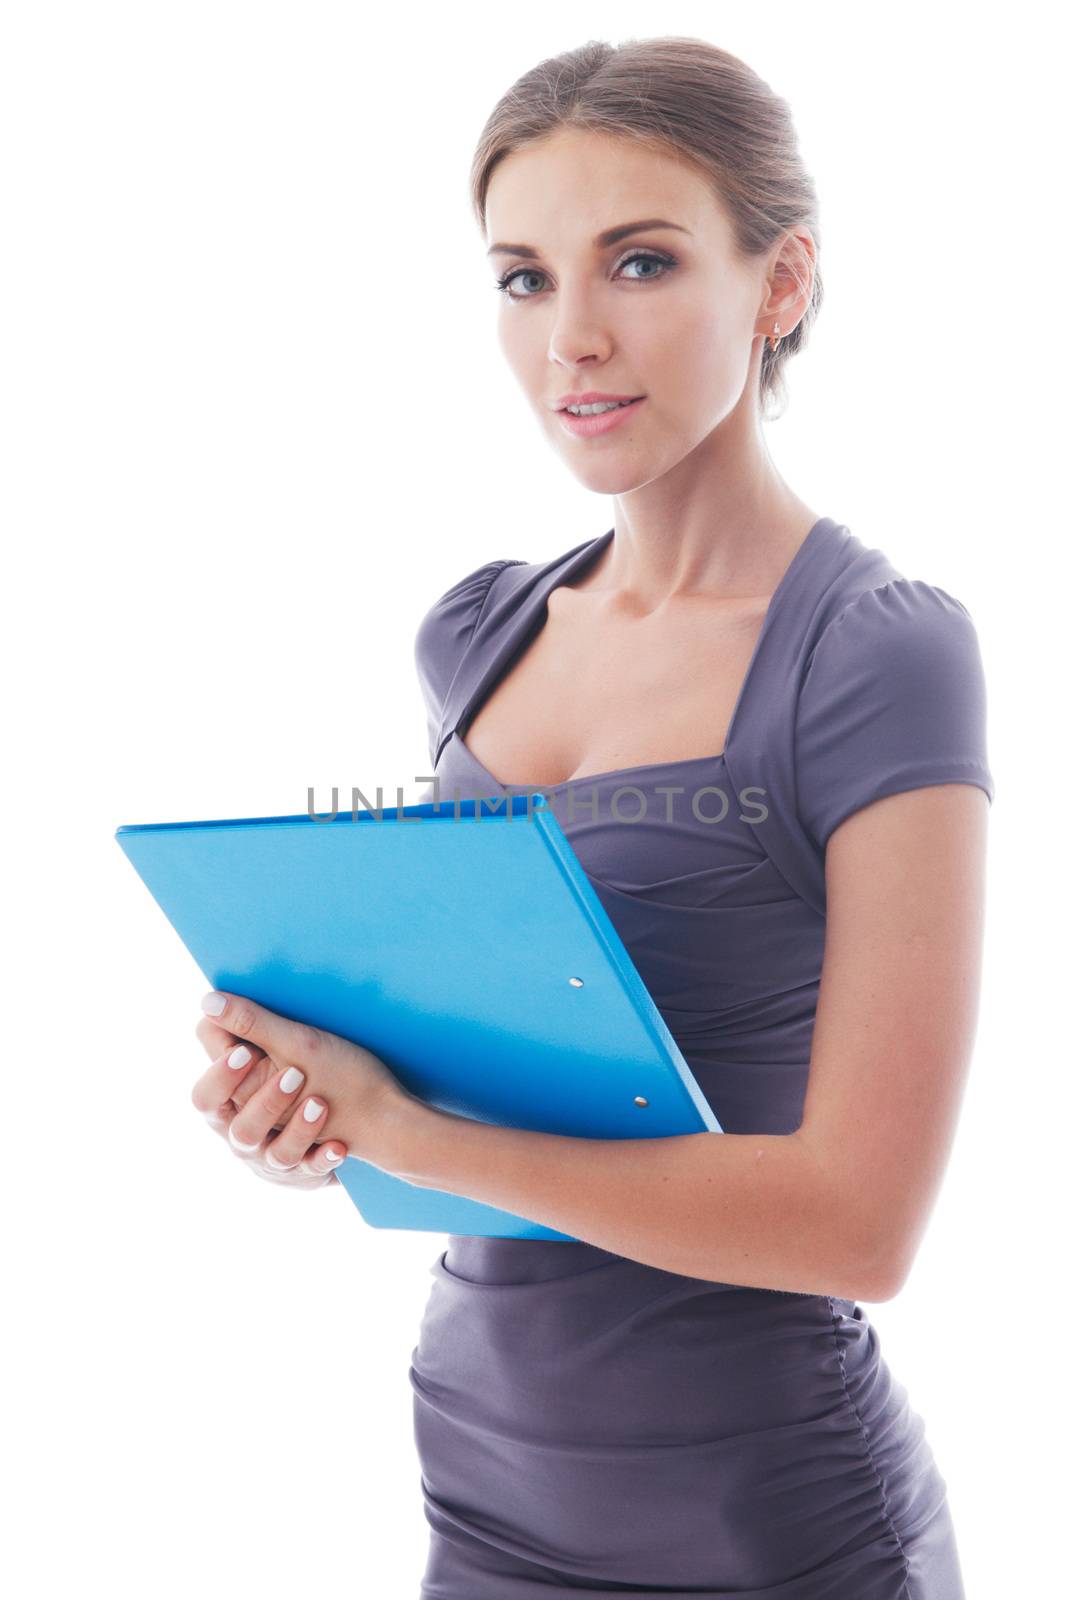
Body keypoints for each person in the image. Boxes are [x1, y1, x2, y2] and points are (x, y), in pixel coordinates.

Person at [194, 36, 992, 1599]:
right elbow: (501, 1088)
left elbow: (858, 1227)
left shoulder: (877, 650)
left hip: (766, 1522)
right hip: (483, 1489)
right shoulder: (477, 635)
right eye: (521, 278)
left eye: (638, 262)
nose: (574, 337)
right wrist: (309, 1114)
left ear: (781, 285)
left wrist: (405, 1128)